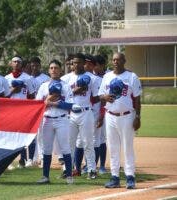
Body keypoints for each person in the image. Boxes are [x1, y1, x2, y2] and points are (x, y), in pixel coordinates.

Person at [98, 52, 142, 189]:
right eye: (113, 60)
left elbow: (137, 99)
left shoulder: (131, 76)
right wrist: (105, 97)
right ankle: (115, 177)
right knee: (113, 148)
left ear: (124, 60)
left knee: (128, 147)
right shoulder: (107, 76)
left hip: (127, 116)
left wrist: (138, 117)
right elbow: (100, 96)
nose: (115, 62)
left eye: (118, 59)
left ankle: (130, 177)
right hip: (110, 115)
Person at [61, 53, 99, 179]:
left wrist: (103, 98)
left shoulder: (91, 78)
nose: (75, 65)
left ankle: (92, 170)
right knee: (69, 143)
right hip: (71, 113)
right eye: (73, 62)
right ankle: (67, 170)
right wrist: (73, 91)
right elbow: (62, 97)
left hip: (86, 112)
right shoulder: (66, 78)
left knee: (88, 143)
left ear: (84, 63)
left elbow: (94, 97)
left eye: (78, 62)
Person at [36, 59, 73, 184]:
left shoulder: (66, 86)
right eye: (51, 68)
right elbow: (38, 105)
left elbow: (70, 106)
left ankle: (69, 176)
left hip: (62, 119)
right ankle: (45, 176)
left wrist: (52, 103)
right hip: (47, 120)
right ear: (48, 70)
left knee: (65, 148)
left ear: (60, 70)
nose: (53, 70)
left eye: (56, 68)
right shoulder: (43, 86)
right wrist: (47, 102)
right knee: (46, 149)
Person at [5, 56, 35, 169]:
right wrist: (13, 89)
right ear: (10, 63)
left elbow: (32, 96)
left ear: (22, 64)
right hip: (11, 110)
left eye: (19, 62)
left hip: (24, 109)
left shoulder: (28, 78)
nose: (16, 63)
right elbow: (4, 96)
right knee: (10, 135)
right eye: (14, 61)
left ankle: (24, 159)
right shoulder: (6, 78)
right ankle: (10, 160)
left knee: (24, 135)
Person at [94, 55, 108, 174]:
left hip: (106, 111)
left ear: (102, 65)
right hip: (94, 111)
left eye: (96, 65)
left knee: (102, 139)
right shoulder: (93, 77)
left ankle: (102, 165)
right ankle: (92, 164)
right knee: (94, 139)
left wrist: (102, 114)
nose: (94, 67)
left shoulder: (108, 76)